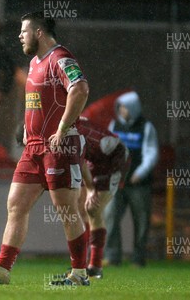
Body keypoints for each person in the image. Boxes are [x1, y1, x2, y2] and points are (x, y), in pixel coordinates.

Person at [0, 12, 90, 286]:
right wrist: (26, 125)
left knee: (66, 209)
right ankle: (2, 269)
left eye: (24, 31)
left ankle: (80, 274)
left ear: (39, 33)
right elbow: (41, 101)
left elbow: (79, 89)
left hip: (60, 146)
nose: (20, 36)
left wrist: (61, 129)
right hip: (33, 148)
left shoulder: (60, 58)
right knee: (16, 204)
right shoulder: (34, 63)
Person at [53, 116, 131, 280]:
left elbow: (79, 161)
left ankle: (94, 266)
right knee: (85, 211)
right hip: (96, 159)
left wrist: (90, 189)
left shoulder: (66, 130)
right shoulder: (66, 122)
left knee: (93, 209)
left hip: (115, 158)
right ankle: (88, 265)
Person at [104, 91, 159, 267]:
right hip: (117, 181)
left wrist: (140, 173)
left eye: (124, 107)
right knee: (110, 216)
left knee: (141, 221)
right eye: (119, 107)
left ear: (133, 108)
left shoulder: (146, 127)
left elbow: (151, 153)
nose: (121, 111)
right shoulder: (115, 125)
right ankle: (112, 256)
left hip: (138, 184)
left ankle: (138, 258)